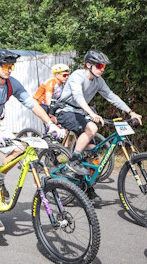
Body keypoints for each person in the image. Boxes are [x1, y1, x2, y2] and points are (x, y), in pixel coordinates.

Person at [0, 49, 64, 231]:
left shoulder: (12, 83)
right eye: (5, 66)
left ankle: (0, 179)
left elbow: (32, 104)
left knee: (21, 148)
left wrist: (50, 124)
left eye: (11, 66)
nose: (9, 70)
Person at [56, 50, 142, 202]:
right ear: (89, 65)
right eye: (100, 65)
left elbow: (111, 96)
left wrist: (131, 112)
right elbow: (78, 97)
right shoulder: (77, 75)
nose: (102, 69)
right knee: (92, 128)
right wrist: (92, 114)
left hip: (81, 112)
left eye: (104, 66)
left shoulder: (98, 80)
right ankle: (72, 161)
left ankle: (87, 188)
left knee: (90, 152)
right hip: (66, 110)